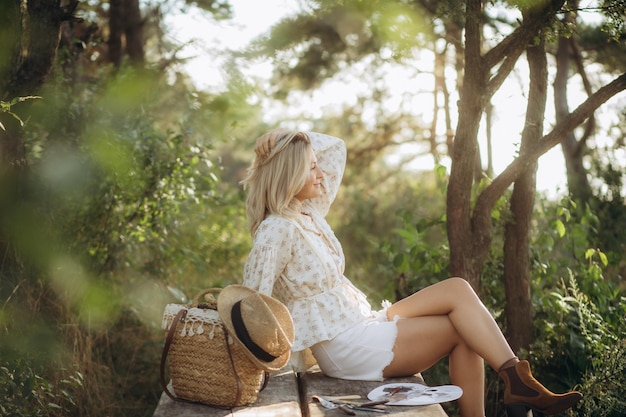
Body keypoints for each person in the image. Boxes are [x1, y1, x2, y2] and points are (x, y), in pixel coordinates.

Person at [240, 128, 582, 417]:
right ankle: (518, 385)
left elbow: (334, 149)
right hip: (346, 347)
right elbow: (252, 300)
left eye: (317, 166)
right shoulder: (277, 229)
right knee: (463, 329)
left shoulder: (308, 214)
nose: (322, 173)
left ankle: (517, 382)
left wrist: (284, 136)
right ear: (292, 173)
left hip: (364, 322)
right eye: (312, 168)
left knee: (458, 291)